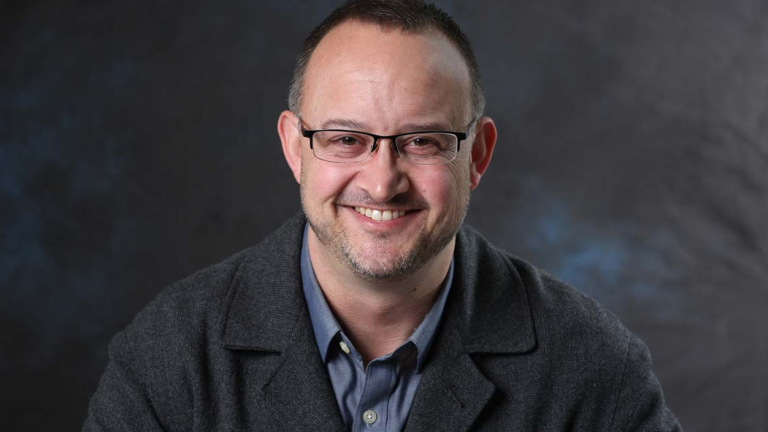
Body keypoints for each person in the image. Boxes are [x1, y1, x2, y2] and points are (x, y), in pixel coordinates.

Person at [83, 1, 682, 430]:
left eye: (422, 141)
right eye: (345, 138)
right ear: (295, 147)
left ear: (476, 155)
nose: (382, 181)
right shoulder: (171, 357)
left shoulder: (593, 369)